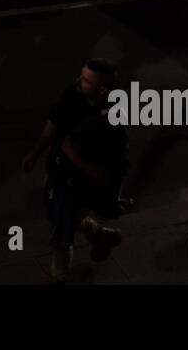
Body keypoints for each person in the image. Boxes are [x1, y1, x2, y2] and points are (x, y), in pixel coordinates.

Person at [23, 59, 128, 283]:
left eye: (86, 80)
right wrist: (35, 153)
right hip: (57, 172)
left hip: (81, 184)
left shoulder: (111, 123)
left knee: (62, 234)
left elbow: (109, 173)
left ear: (102, 90)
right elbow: (54, 121)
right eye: (81, 75)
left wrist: (74, 158)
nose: (78, 81)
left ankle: (59, 276)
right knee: (63, 217)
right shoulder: (73, 93)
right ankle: (101, 236)